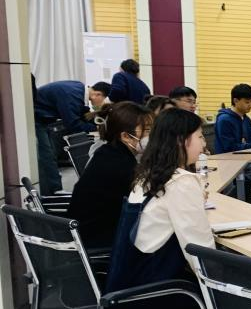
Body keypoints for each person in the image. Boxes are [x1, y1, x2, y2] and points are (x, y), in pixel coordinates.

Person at [106, 108, 214, 292]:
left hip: (127, 285)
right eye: (200, 136)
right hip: (157, 292)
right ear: (181, 140)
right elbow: (200, 251)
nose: (204, 144)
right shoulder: (182, 182)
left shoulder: (147, 174)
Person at [68, 102, 153, 249]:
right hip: (99, 239)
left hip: (87, 232)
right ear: (126, 136)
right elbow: (143, 203)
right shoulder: (120, 164)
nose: (152, 136)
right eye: (147, 131)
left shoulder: (109, 152)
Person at [30, 74, 62, 196]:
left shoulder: (27, 75)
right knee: (46, 155)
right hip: (37, 119)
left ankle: (53, 190)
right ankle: (53, 191)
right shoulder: (26, 74)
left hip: (37, 118)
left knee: (48, 155)